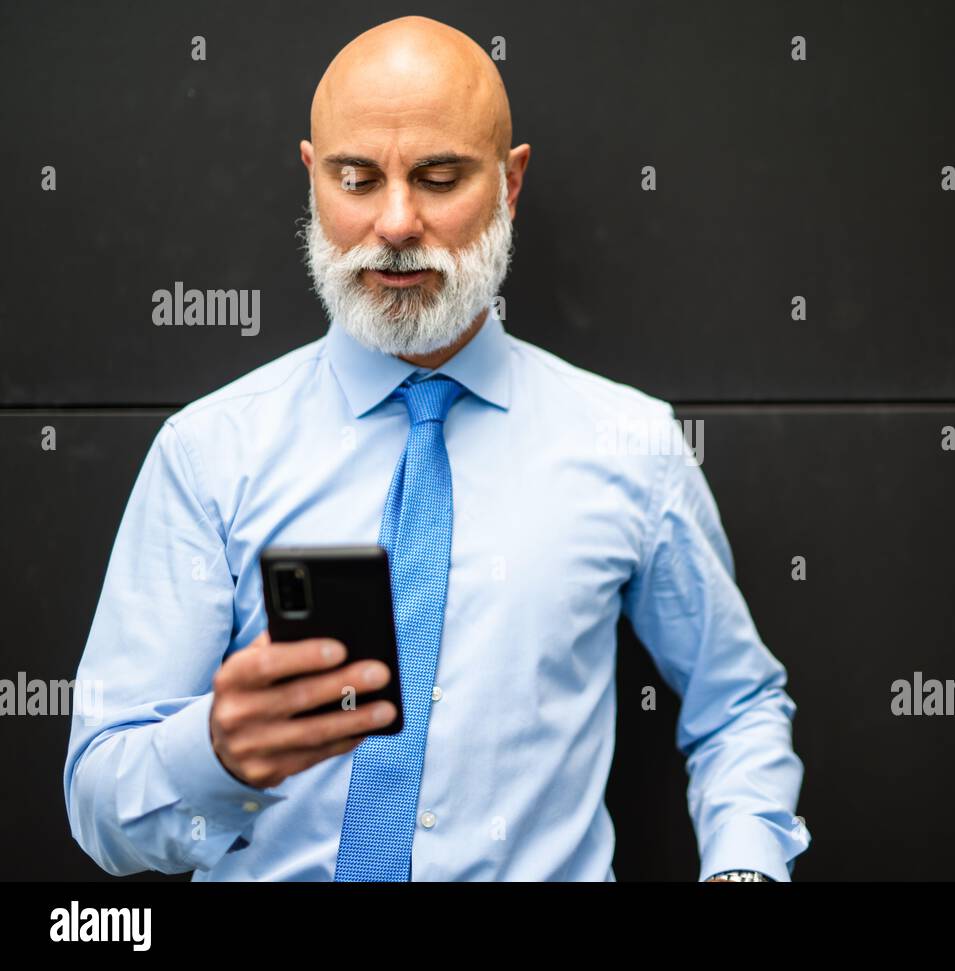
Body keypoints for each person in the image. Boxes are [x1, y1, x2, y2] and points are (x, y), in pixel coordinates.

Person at [63, 15, 809, 882]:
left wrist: (745, 869)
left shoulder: (630, 443)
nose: (394, 221)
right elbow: (98, 804)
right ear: (312, 179)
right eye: (356, 178)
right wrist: (214, 752)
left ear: (510, 183)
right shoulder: (208, 452)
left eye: (439, 177)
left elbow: (738, 702)